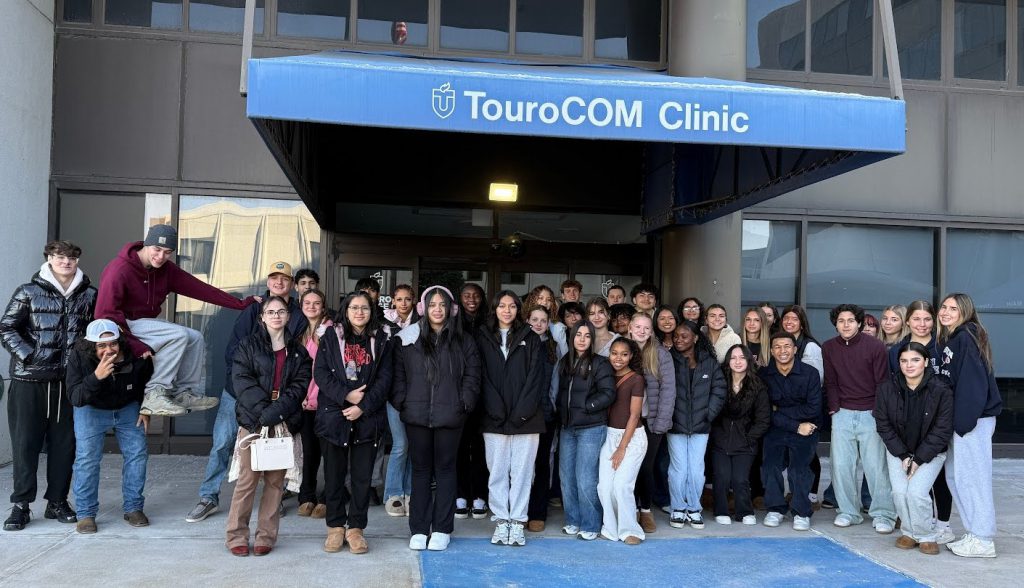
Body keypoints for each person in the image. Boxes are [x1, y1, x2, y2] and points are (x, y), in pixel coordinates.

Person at [95, 224, 257, 416]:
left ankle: (183, 392)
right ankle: (154, 393)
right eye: (157, 249)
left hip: (144, 324)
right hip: (120, 325)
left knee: (195, 337)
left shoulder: (166, 270)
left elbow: (201, 289)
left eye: (167, 252)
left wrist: (240, 304)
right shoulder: (119, 270)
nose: (161, 256)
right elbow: (104, 315)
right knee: (178, 335)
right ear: (146, 244)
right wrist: (136, 345)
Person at [187, 261, 306, 523]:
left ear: (291, 284)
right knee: (223, 442)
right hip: (239, 392)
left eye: (284, 278)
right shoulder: (253, 309)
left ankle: (274, 497)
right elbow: (234, 351)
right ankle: (209, 496)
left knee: (275, 445)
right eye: (274, 278)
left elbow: (295, 357)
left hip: (275, 397)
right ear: (268, 282)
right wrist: (246, 389)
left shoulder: (297, 315)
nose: (279, 282)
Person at [1, 240, 96, 531]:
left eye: (71, 257)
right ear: (49, 259)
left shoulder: (90, 295)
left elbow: (95, 333)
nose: (66, 262)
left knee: (64, 446)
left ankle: (57, 502)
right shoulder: (28, 291)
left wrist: (86, 365)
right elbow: (6, 327)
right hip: (29, 380)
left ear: (77, 261)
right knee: (25, 444)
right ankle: (21, 505)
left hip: (68, 383)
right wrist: (31, 355)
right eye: (59, 257)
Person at [392, 286, 481, 552]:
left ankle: (442, 528)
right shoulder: (408, 338)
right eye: (432, 304)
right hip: (416, 416)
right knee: (420, 472)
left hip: (450, 415)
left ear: (451, 309)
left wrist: (464, 403)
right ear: (424, 307)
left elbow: (473, 377)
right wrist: (402, 402)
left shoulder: (463, 340)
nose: (437, 309)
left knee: (445, 471)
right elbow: (398, 375)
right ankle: (419, 528)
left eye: (442, 304)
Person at [225, 295, 311, 557]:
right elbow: (242, 381)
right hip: (254, 421)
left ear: (288, 316)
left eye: (281, 311)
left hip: (283, 422)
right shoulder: (247, 346)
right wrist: (264, 413)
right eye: (270, 312)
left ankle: (266, 536)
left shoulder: (298, 351)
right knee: (247, 481)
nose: (276, 315)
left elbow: (299, 387)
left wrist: (276, 413)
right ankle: (236, 536)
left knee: (275, 484)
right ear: (262, 317)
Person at [315, 291, 395, 554]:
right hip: (334, 415)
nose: (359, 312)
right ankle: (336, 527)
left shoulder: (382, 339)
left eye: (365, 308)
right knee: (335, 477)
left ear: (372, 311)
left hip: (367, 418)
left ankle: (356, 528)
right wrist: (346, 396)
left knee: (362, 479)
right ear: (346, 310)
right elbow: (321, 373)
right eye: (354, 308)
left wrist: (362, 406)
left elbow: (385, 378)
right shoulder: (330, 336)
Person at [65, 319, 152, 534]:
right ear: (91, 346)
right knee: (87, 459)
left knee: (137, 453)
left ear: (120, 342)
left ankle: (133, 508)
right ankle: (85, 514)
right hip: (90, 408)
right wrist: (97, 376)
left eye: (112, 343)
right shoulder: (79, 356)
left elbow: (148, 381)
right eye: (101, 346)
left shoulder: (134, 354)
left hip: (127, 406)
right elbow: (75, 397)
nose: (108, 349)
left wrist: (145, 407)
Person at [475, 291, 545, 547]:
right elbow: (480, 377)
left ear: (519, 310)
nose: (507, 310)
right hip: (494, 417)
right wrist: (495, 408)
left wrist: (522, 412)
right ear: (494, 309)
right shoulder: (482, 336)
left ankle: (517, 522)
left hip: (526, 418)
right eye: (502, 305)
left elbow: (536, 379)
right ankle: (501, 519)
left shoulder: (531, 337)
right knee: (497, 472)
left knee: (523, 472)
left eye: (512, 306)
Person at [936, 293, 1003, 558]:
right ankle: (974, 533)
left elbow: (973, 385)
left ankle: (984, 539)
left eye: (953, 308)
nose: (946, 312)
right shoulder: (954, 338)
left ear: (965, 312)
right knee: (957, 478)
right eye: (943, 307)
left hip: (972, 421)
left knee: (973, 480)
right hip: (962, 421)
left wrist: (964, 423)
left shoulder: (967, 336)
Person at [874, 342, 953, 556]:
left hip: (930, 453)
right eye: (904, 361)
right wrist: (901, 454)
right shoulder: (886, 388)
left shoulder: (941, 389)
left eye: (915, 360)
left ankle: (926, 535)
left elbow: (942, 429)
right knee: (900, 492)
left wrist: (918, 459)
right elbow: (882, 423)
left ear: (926, 362)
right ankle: (909, 532)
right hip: (898, 450)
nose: (909, 365)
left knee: (917, 493)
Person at [822, 303, 896, 534]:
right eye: (841, 321)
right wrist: (834, 408)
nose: (846, 325)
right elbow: (831, 381)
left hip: (870, 414)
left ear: (859, 323)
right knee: (841, 466)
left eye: (851, 320)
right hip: (842, 413)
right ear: (836, 323)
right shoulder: (829, 347)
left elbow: (882, 383)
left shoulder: (875, 347)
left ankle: (884, 514)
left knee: (875, 467)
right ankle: (848, 512)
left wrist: (877, 412)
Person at [888, 300, 954, 544]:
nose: (922, 324)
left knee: (938, 477)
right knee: (908, 482)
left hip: (939, 417)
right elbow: (893, 386)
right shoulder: (898, 350)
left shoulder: (942, 346)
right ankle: (913, 526)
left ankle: (943, 524)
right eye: (917, 319)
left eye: (927, 319)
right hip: (910, 421)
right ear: (908, 321)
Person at [555, 320, 616, 541]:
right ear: (572, 338)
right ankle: (573, 520)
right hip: (567, 428)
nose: (582, 339)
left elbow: (608, 393)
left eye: (587, 335)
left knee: (585, 478)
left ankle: (591, 523)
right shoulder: (564, 362)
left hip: (591, 427)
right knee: (567, 477)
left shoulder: (600, 363)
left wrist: (587, 407)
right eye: (578, 335)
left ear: (592, 339)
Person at [666, 320, 725, 530]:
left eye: (684, 336)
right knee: (678, 470)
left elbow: (719, 390)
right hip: (676, 425)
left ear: (696, 338)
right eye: (676, 336)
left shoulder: (709, 362)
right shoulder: (669, 360)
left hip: (701, 425)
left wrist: (708, 415)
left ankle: (694, 508)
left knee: (696, 469)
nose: (679, 340)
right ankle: (677, 507)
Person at [759, 332, 821, 530]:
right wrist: (794, 424)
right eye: (777, 347)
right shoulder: (764, 375)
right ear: (771, 351)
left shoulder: (810, 373)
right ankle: (775, 508)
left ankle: (801, 511)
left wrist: (780, 411)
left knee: (799, 469)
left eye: (787, 346)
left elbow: (813, 408)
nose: (782, 351)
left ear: (795, 350)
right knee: (770, 466)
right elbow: (765, 411)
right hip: (779, 428)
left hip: (806, 429)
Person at [710, 344, 769, 526]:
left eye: (742, 358)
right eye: (733, 357)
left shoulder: (757, 386)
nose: (737, 361)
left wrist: (749, 438)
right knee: (721, 477)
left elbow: (763, 419)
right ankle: (721, 510)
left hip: (746, 442)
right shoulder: (719, 382)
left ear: (748, 361)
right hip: (720, 440)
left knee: (740, 478)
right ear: (728, 361)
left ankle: (744, 511)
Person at [627, 313, 675, 534]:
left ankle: (645, 510)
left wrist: (661, 423)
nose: (642, 331)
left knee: (646, 467)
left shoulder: (660, 354)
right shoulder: (621, 348)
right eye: (638, 326)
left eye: (646, 327)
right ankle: (630, 509)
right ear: (630, 327)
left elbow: (668, 390)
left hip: (651, 421)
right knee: (628, 468)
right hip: (626, 421)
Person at [597, 339, 647, 544]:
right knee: (604, 486)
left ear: (631, 356)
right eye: (614, 353)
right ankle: (610, 527)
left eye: (624, 354)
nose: (619, 358)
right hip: (609, 435)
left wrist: (621, 448)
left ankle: (629, 529)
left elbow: (634, 416)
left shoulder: (636, 379)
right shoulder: (604, 375)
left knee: (621, 485)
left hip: (631, 437)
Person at [455, 282, 490, 521]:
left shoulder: (489, 323)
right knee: (458, 446)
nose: (472, 299)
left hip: (485, 395)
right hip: (458, 393)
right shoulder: (453, 323)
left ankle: (479, 494)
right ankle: (460, 495)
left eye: (476, 296)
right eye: (467, 296)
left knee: (480, 448)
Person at [525, 305, 562, 532]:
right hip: (522, 415)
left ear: (548, 323)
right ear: (527, 320)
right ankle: (519, 510)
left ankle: (538, 512)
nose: (538, 324)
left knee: (541, 464)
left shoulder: (554, 347)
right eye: (534, 319)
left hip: (546, 414)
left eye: (543, 320)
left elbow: (556, 382)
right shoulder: (518, 343)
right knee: (520, 466)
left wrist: (553, 408)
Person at [295, 289, 331, 519]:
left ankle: (328, 498)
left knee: (330, 453)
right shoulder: (296, 331)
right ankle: (306, 496)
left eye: (316, 303)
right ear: (301, 305)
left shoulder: (330, 331)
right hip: (302, 401)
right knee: (308, 452)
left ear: (323, 306)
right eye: (307, 302)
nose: (311, 306)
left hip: (326, 401)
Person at [522, 284, 565, 357]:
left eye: (549, 299)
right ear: (532, 299)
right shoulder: (521, 323)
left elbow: (563, 357)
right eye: (540, 298)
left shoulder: (557, 327)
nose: (545, 302)